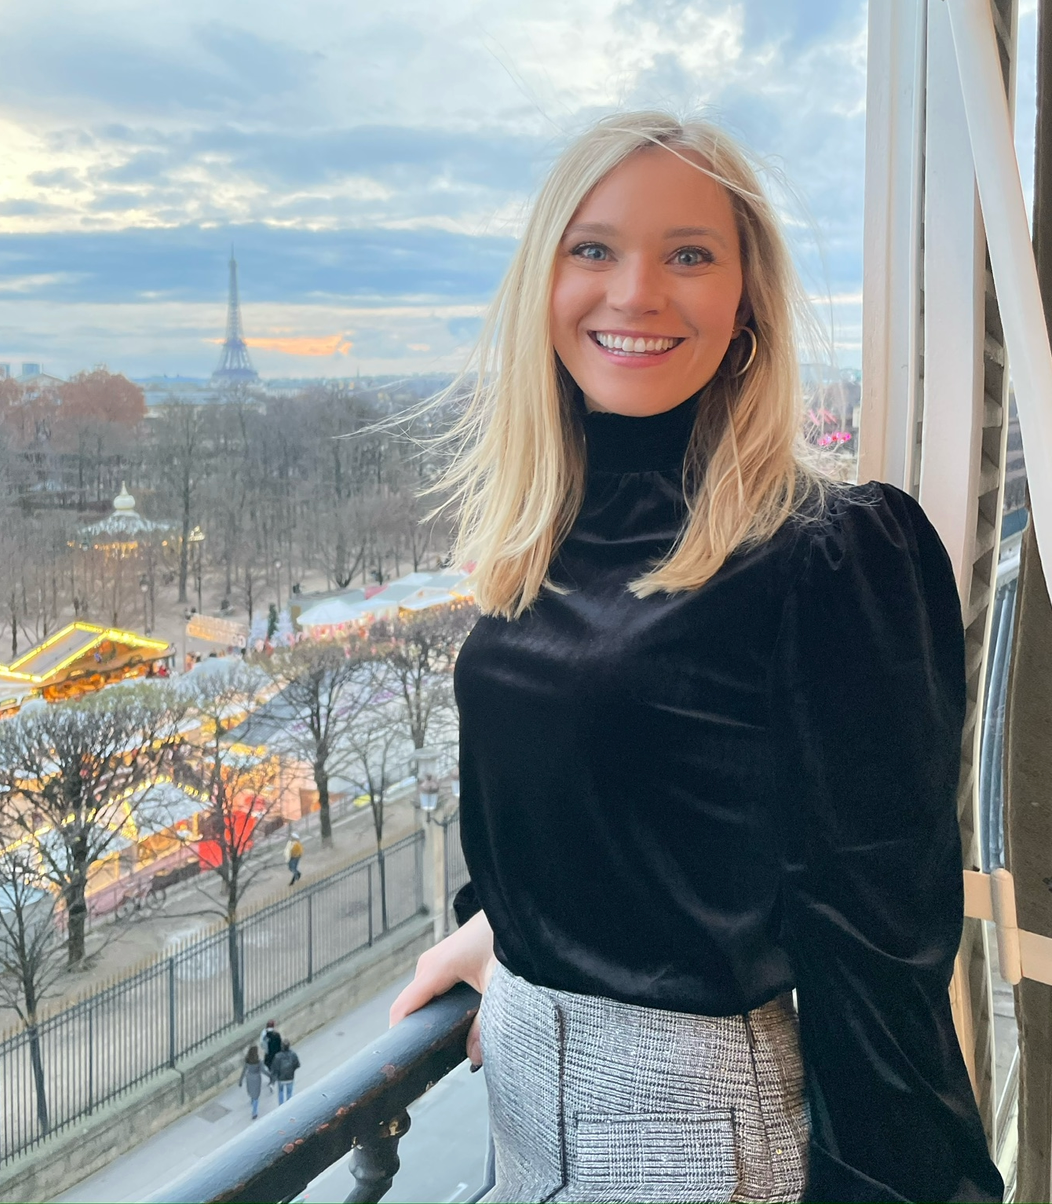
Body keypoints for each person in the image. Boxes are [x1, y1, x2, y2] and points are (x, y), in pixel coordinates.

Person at [389, 113, 1002, 1204]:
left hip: (692, 1140)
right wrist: (511, 931)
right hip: (526, 1102)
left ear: (746, 296)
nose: (635, 292)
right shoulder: (547, 537)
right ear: (545, 280)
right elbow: (644, 800)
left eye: (689, 253)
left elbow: (881, 953)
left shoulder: (828, 553)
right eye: (595, 248)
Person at [271, 1039, 299, 1104]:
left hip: (281, 1078)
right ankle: (289, 1105)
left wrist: (273, 1078)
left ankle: (281, 1105)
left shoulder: (277, 1056)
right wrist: (292, 1070)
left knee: (281, 1092)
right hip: (290, 1077)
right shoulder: (293, 1054)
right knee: (289, 1093)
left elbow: (274, 1068)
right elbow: (297, 1064)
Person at [239, 1044, 263, 1119]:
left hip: (249, 1077)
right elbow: (263, 1070)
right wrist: (270, 1076)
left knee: (251, 1091)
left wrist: (240, 1080)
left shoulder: (247, 1060)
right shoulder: (258, 1061)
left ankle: (252, 1101)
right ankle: (254, 1112)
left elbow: (244, 1071)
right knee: (256, 1095)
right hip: (256, 1078)